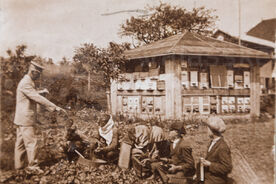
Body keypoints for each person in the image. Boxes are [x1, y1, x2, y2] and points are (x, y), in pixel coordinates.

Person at [14, 60, 66, 174]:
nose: (39, 76)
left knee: (21, 143)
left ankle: (18, 167)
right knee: (32, 143)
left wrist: (41, 91)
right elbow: (36, 98)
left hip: (21, 118)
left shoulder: (26, 81)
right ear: (33, 72)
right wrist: (55, 107)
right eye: (38, 74)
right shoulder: (26, 83)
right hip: (26, 119)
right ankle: (33, 167)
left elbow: (32, 93)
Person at [200, 116, 232, 184]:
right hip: (208, 179)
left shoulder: (222, 146)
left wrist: (210, 164)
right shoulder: (212, 142)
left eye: (207, 128)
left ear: (212, 130)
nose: (207, 130)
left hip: (216, 181)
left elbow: (227, 168)